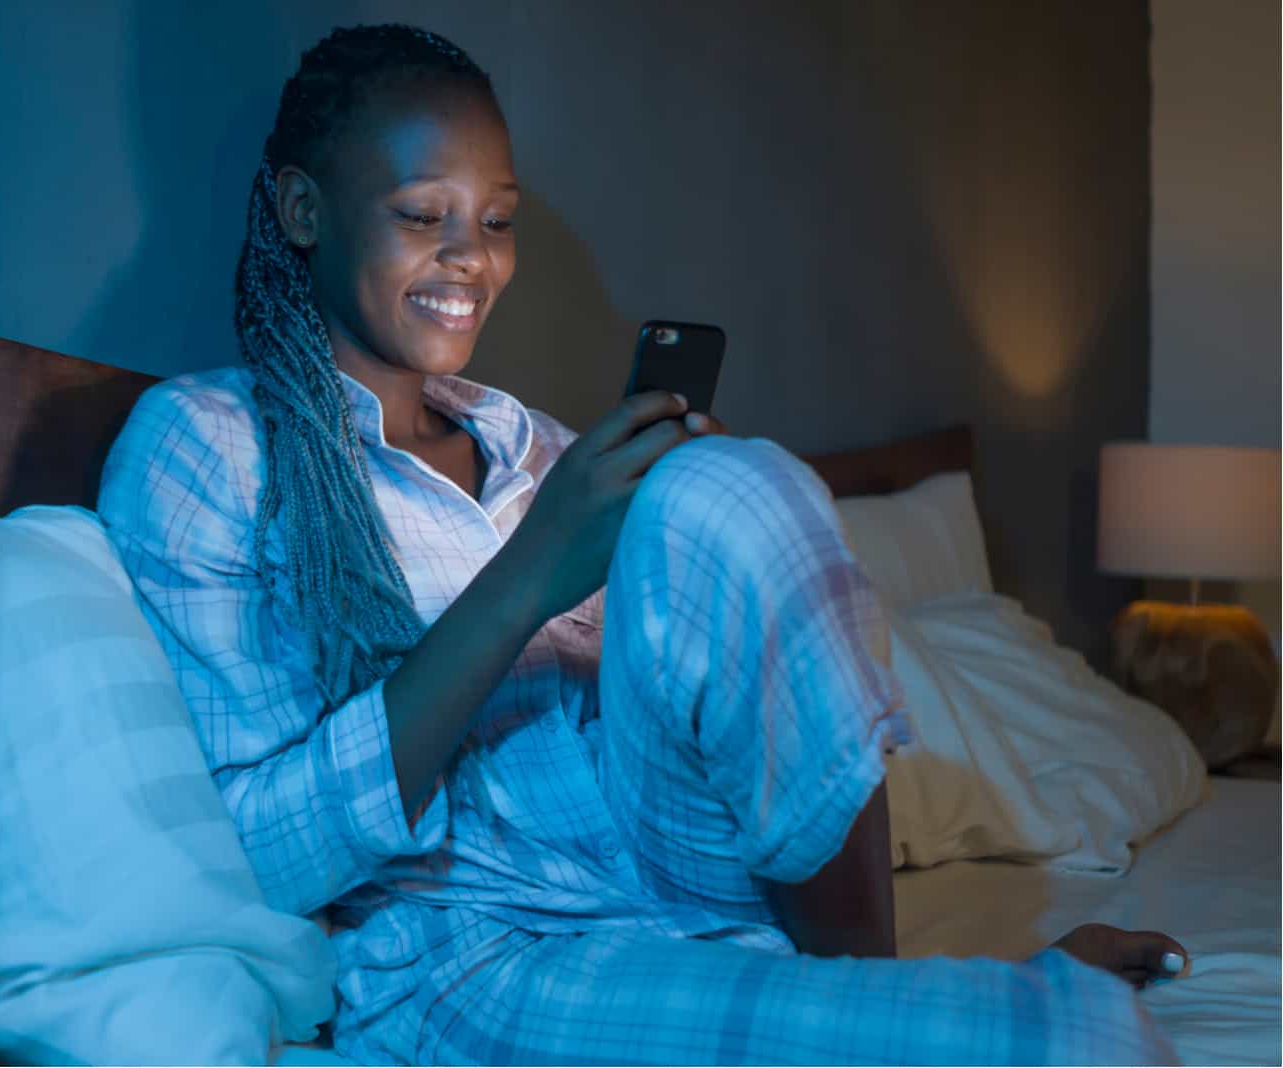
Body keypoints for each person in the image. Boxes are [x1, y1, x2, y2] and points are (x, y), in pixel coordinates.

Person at [98, 23, 1185, 1065]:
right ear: (302, 208)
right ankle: (898, 1014)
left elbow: (699, 723)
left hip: (664, 865)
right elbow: (257, 858)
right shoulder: (210, 450)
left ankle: (874, 989)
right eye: (421, 213)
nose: (468, 259)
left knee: (730, 485)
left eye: (497, 220)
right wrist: (529, 580)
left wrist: (691, 536)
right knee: (1090, 1041)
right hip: (475, 946)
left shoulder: (540, 452)